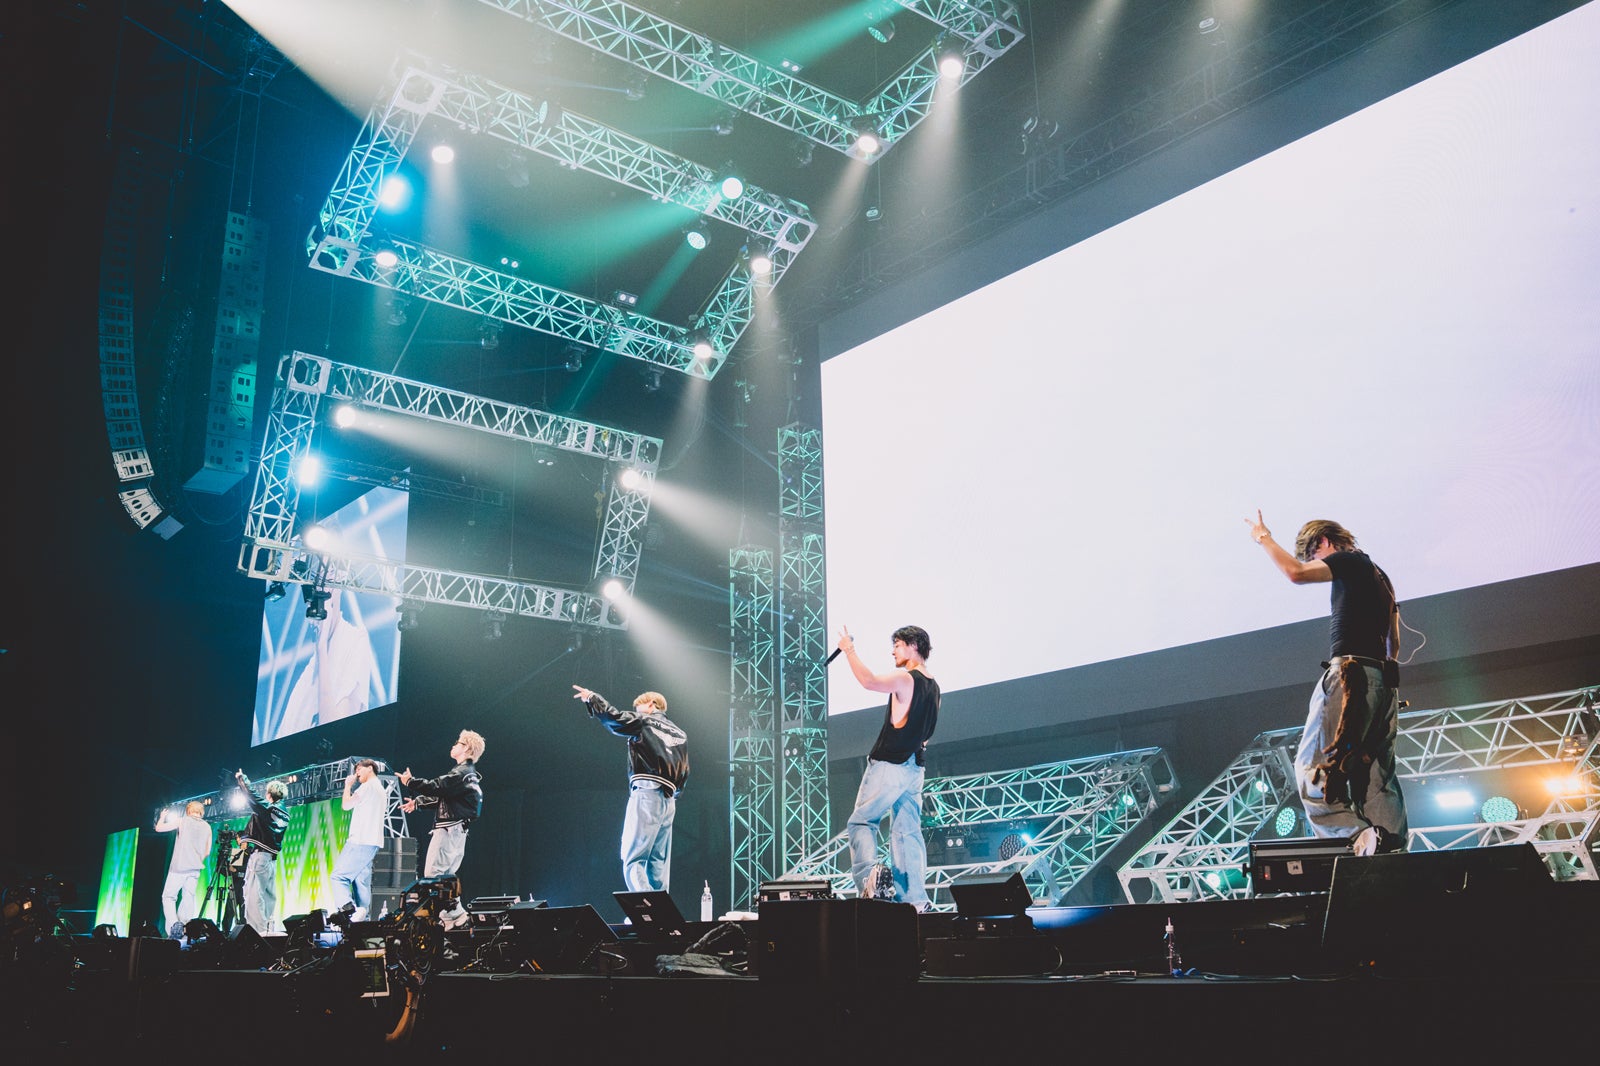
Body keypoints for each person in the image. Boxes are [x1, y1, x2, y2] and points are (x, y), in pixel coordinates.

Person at [1246, 511, 1409, 856]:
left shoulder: (1348, 560)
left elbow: (1296, 573)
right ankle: (1392, 853)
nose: (1314, 561)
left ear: (1323, 541)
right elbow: (1393, 643)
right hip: (1383, 683)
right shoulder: (1381, 576)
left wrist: (1263, 538)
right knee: (1376, 776)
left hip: (1351, 678)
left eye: (1313, 553)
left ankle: (1355, 838)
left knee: (1313, 770)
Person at [833, 624, 940, 910]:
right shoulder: (934, 688)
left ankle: (872, 884)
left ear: (913, 646)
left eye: (897, 645)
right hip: (915, 769)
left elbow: (869, 681)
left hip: (890, 764)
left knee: (862, 822)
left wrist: (848, 649)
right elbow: (926, 735)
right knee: (907, 832)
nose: (893, 651)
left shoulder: (906, 678)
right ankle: (915, 900)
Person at [572, 684, 690, 893]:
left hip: (647, 791)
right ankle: (661, 908)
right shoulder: (681, 734)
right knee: (658, 863)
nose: (636, 710)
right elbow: (685, 770)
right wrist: (674, 794)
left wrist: (592, 697)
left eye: (638, 707)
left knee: (633, 856)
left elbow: (615, 719)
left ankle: (647, 906)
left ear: (651, 704)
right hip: (669, 799)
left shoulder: (644, 721)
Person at [399, 730, 484, 928]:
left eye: (458, 742)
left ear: (467, 748)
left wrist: (411, 782)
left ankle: (454, 914)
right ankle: (451, 916)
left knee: (434, 876)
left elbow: (438, 786)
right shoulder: (466, 775)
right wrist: (418, 803)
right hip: (456, 830)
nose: (454, 745)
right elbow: (445, 796)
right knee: (445, 877)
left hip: (449, 830)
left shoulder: (461, 773)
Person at [273, 582, 378, 740]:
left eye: (324, 584)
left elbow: (334, 731)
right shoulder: (310, 669)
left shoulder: (355, 640)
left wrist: (322, 647)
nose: (316, 595)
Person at [329, 759, 387, 921]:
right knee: (361, 881)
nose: (357, 773)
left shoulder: (367, 786)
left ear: (370, 768)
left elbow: (346, 805)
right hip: (373, 842)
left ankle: (348, 908)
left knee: (338, 877)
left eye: (359, 769)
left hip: (360, 840)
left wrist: (348, 786)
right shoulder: (380, 789)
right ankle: (363, 918)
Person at [233, 771, 289, 934]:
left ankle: (258, 934)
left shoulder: (268, 808)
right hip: (271, 859)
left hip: (260, 857)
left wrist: (242, 779)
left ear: (269, 794)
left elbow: (251, 796)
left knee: (253, 896)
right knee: (268, 896)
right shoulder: (284, 812)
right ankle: (268, 931)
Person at [153, 800, 213, 938]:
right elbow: (207, 851)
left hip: (179, 867)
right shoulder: (207, 827)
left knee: (169, 897)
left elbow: (159, 828)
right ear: (201, 811)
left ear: (188, 810)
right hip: (195, 868)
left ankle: (174, 926)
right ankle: (185, 929)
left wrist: (162, 817)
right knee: (188, 898)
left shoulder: (182, 821)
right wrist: (197, 860)